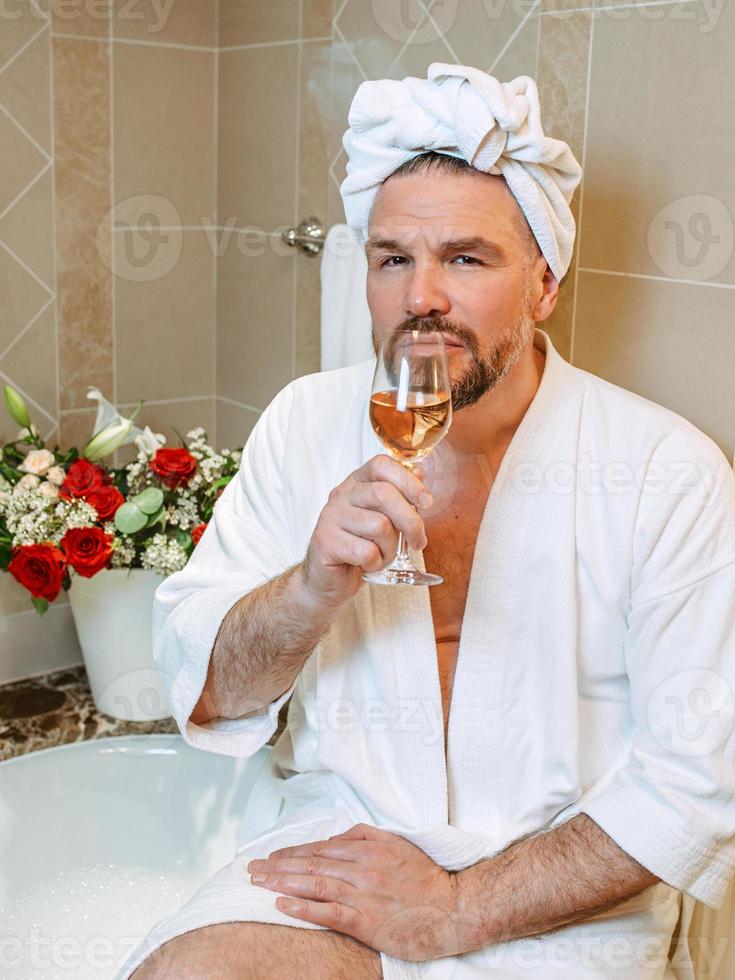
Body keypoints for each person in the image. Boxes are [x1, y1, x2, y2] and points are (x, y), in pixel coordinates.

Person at [120, 65, 735, 980]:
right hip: (344, 852)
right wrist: (310, 587)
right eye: (393, 259)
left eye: (465, 258)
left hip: (560, 895)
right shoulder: (304, 422)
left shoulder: (665, 471)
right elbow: (210, 694)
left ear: (543, 284)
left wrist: (456, 907)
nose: (421, 299)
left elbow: (697, 784)